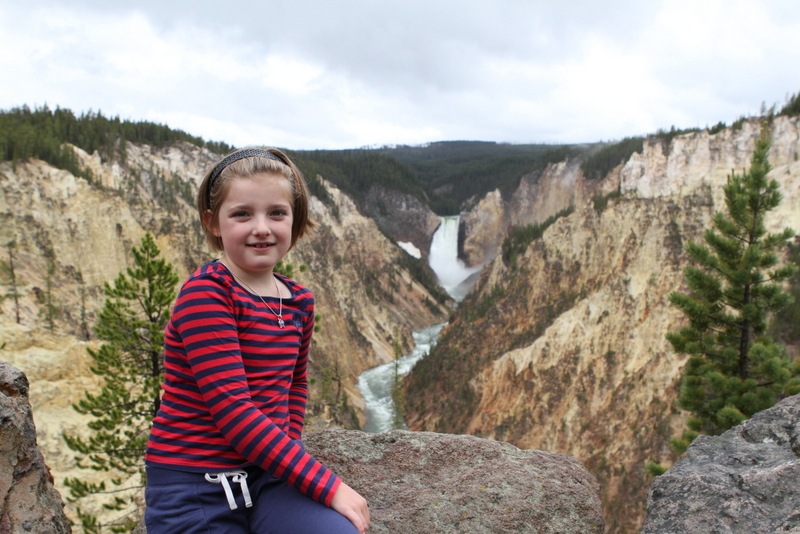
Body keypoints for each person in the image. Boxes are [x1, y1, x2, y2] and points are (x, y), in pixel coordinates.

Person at [144, 148, 369, 534]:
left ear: (295, 219)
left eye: (276, 213)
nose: (261, 228)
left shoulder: (299, 300)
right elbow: (234, 411)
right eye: (242, 214)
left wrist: (288, 458)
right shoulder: (208, 294)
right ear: (213, 222)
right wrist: (328, 486)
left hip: (266, 476)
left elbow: (294, 384)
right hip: (196, 485)